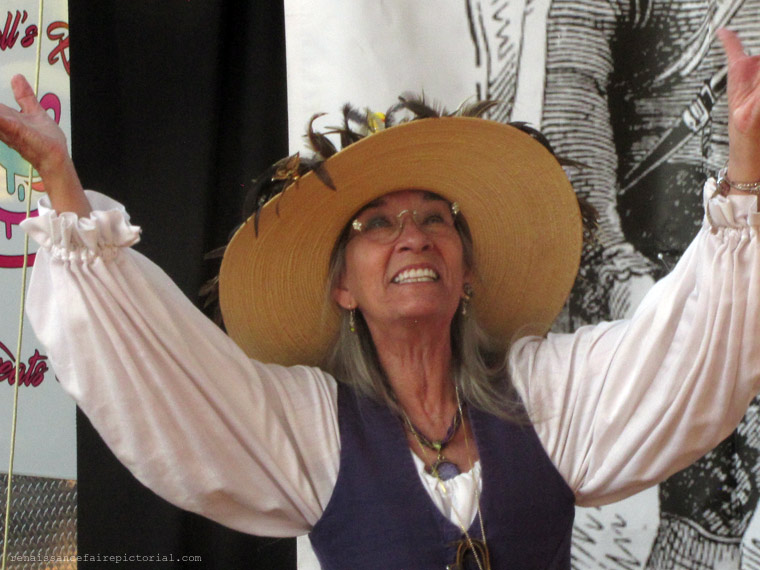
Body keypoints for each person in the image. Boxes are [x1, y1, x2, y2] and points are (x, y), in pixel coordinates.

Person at [0, 28, 759, 570]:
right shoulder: (309, 428)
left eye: (435, 220)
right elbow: (164, 377)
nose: (414, 237)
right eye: (378, 225)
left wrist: (748, 171)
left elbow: (692, 348)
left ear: (467, 274)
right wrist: (62, 186)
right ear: (343, 286)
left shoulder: (547, 395)